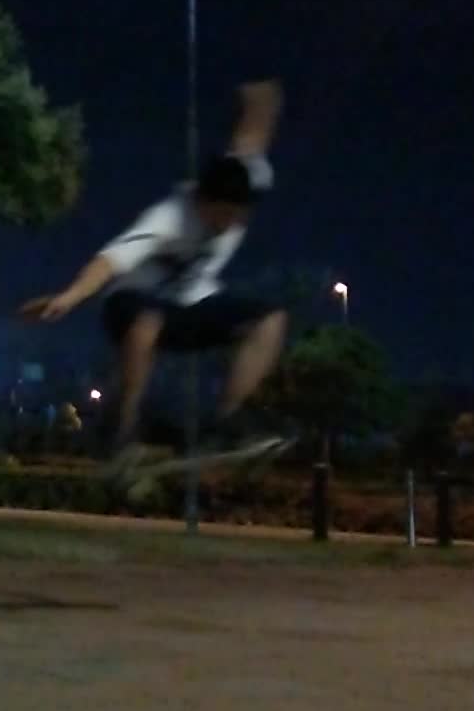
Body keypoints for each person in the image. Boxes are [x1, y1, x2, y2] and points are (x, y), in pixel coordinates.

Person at [21, 79, 289, 467]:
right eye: (221, 216)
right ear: (202, 201)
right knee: (148, 320)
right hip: (128, 303)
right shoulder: (168, 218)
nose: (228, 225)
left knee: (271, 320)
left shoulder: (240, 187)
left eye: (236, 217)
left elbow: (250, 143)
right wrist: (70, 296)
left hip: (190, 306)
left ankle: (226, 423)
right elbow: (109, 261)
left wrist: (259, 103)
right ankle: (122, 429)